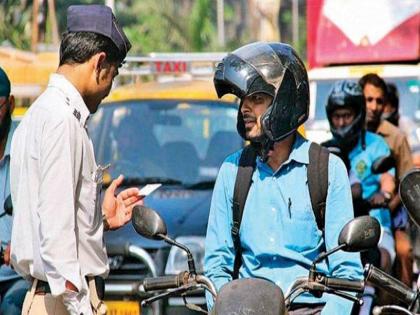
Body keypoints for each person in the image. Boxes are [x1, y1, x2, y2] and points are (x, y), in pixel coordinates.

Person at [205, 42, 363, 315]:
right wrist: (225, 307)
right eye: (242, 99)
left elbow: (347, 274)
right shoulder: (232, 171)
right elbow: (217, 264)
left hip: (310, 308)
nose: (244, 108)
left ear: (284, 103)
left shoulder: (327, 170)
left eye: (256, 99)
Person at [10, 5, 143, 315]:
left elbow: (50, 215)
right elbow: (55, 236)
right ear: (99, 63)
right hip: (64, 302)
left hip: (54, 297)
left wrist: (99, 220)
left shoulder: (38, 116)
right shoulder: (61, 122)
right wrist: (82, 309)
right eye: (114, 73)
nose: (111, 87)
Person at [359, 73, 414, 288]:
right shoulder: (349, 135)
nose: (373, 106)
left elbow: (407, 183)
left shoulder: (396, 137)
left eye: (379, 101)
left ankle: (405, 305)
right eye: (368, 99)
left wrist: (386, 203)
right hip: (356, 213)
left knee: (404, 252)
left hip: (392, 212)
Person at [0, 67, 30, 315]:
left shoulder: (26, 149)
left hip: (18, 273)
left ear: (10, 104)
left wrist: (18, 244)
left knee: (13, 307)